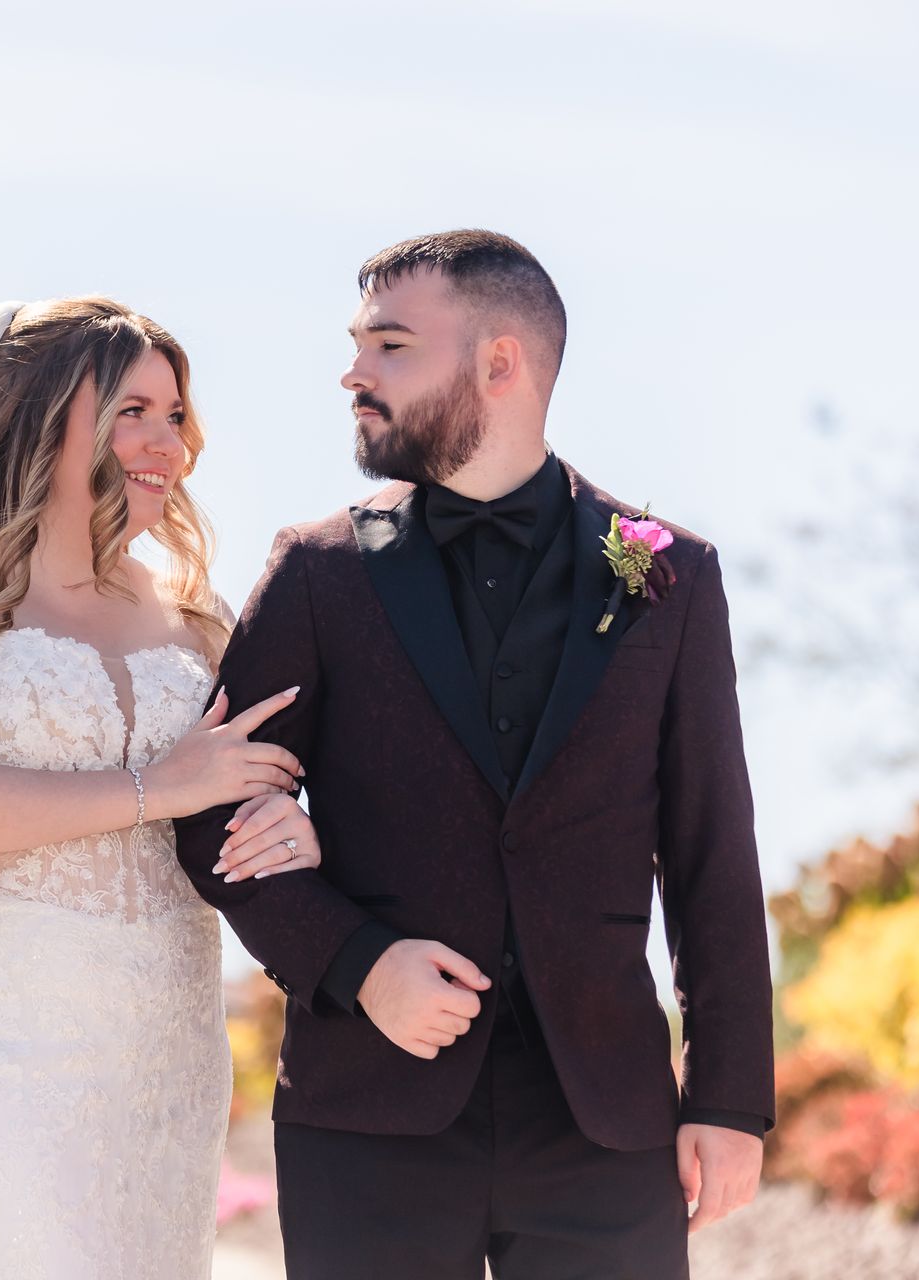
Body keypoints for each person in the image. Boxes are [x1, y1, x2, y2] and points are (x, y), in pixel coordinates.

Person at [174, 231, 776, 1278]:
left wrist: (728, 1096)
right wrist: (359, 965)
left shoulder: (670, 577)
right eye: (358, 346)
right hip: (369, 1113)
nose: (354, 372)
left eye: (391, 346)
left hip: (604, 1120)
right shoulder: (317, 573)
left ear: (500, 363)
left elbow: (711, 847)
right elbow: (206, 811)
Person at [0, 296, 321, 1277]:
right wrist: (156, 784)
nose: (166, 441)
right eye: (132, 409)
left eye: (176, 415)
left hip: (163, 1029)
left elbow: (252, 792)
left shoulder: (200, 617)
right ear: (42, 409)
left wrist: (297, 830)